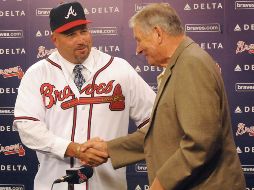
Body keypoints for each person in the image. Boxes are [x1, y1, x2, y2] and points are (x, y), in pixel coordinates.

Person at [84, 3, 246, 190]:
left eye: (139, 40)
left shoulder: (191, 65)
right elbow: (162, 131)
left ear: (158, 34)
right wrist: (109, 149)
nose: (137, 49)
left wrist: (160, 184)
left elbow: (201, 142)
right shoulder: (182, 63)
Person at [13, 1, 155, 190]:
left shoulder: (119, 69)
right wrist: (73, 149)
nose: (81, 39)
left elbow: (155, 123)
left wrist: (115, 149)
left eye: (84, 31)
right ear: (54, 39)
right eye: (71, 34)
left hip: (108, 185)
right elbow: (28, 128)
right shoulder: (38, 74)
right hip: (55, 185)